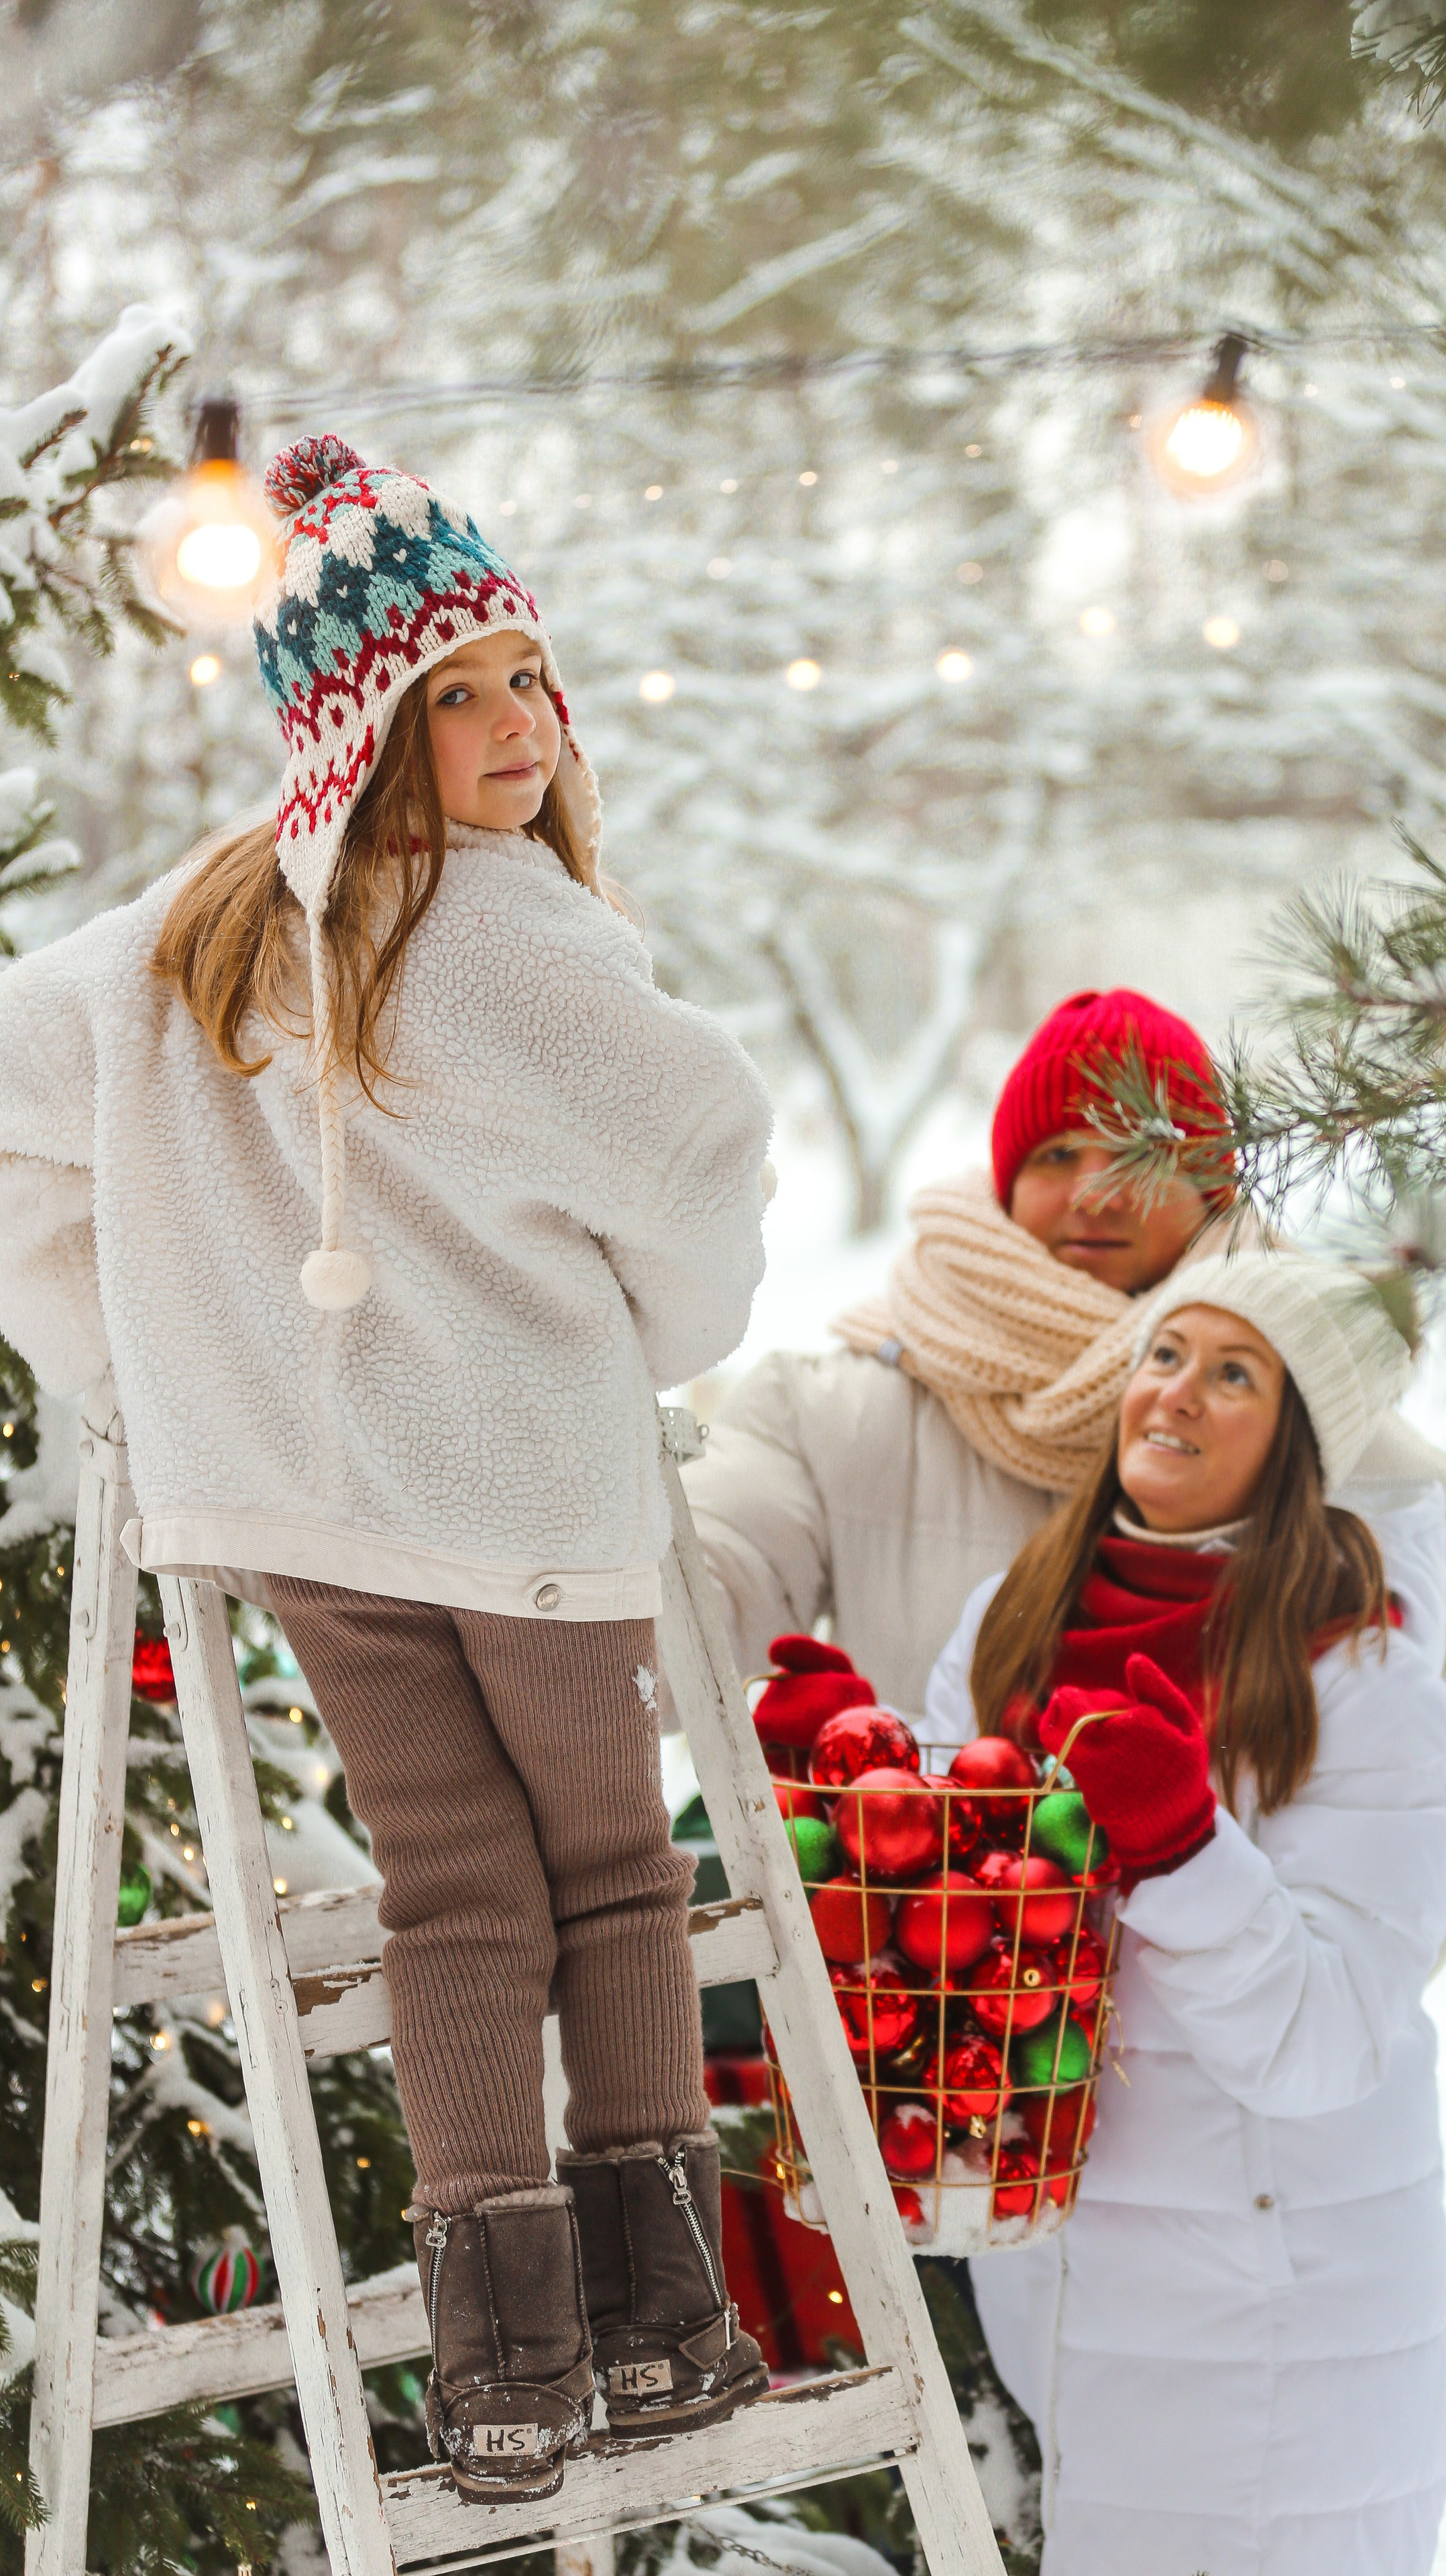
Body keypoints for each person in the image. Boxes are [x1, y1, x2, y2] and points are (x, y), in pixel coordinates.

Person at [0, 434, 774, 2501]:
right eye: (463, 693)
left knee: (449, 1888)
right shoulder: (513, 936)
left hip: (306, 1511)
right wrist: (667, 1336)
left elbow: (9, 1123)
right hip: (524, 1510)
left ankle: (501, 2366)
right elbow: (706, 1152)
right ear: (368, 723)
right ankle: (664, 2317)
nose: (522, 728)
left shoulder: (194, 935)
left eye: (529, 677)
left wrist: (135, 1372)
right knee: (608, 1875)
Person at [684, 985, 1446, 1960]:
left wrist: (1352, 1976)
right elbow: (688, 1607)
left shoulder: (1352, 1450)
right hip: (940, 2053)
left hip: (1226, 2078)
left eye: (1139, 1152)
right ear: (1004, 1185)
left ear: (1216, 1186)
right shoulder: (833, 1413)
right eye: (1056, 1155)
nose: (1095, 1189)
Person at [922, 1252, 1446, 2574]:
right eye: (1164, 1357)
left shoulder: (1369, 1683)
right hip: (1070, 2294)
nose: (1175, 1394)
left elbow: (1323, 2042)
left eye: (1235, 1375)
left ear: (1299, 1440)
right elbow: (954, 1945)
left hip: (1285, 2317)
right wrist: (861, 1792)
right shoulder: (1014, 1618)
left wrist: (1176, 1846)